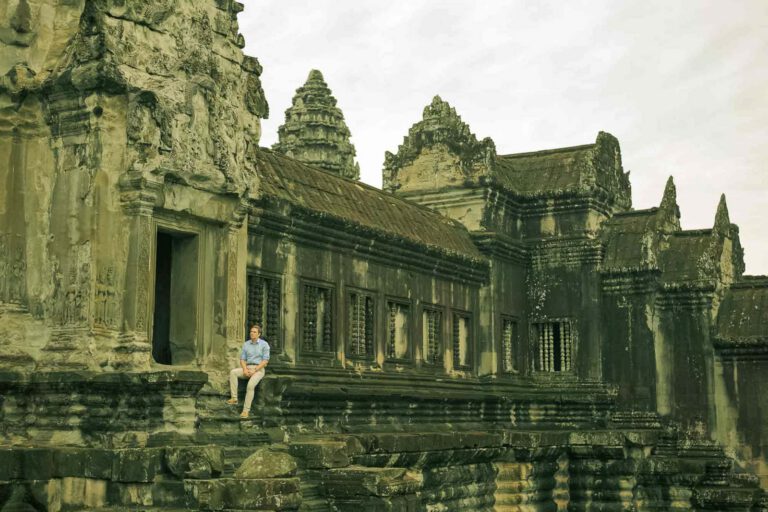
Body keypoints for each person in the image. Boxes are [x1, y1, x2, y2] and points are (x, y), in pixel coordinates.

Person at [227, 324, 270, 418]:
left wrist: (255, 370)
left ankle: (246, 411)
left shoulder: (264, 344)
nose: (252, 333)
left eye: (254, 332)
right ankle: (234, 398)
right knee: (233, 372)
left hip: (258, 369)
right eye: (251, 332)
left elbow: (265, 361)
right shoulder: (246, 344)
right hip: (248, 368)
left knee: (250, 386)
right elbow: (242, 359)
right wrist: (245, 369)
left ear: (259, 334)